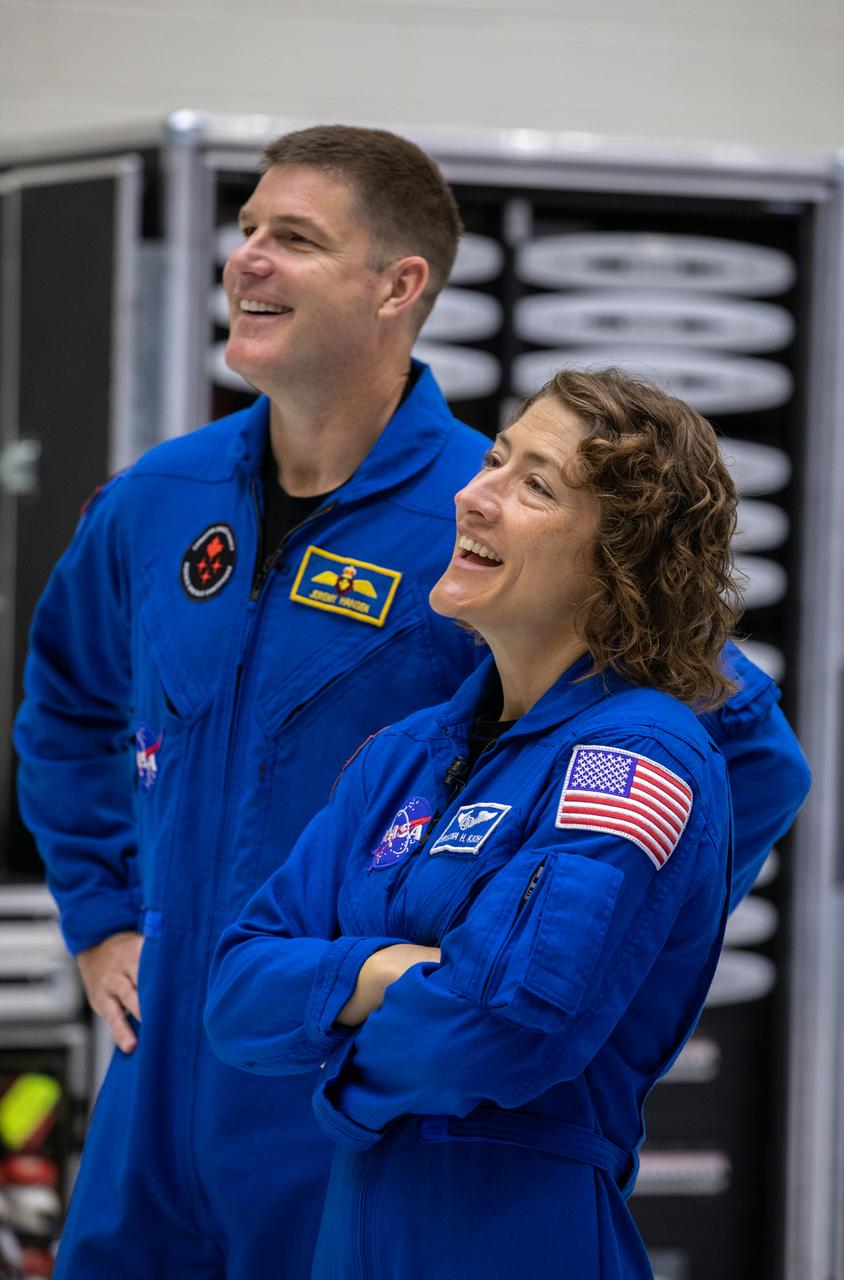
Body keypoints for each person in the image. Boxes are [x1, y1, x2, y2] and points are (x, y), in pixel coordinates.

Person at [13, 120, 808, 1276]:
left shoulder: (496, 519)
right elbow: (67, 700)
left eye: (294, 238)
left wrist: (569, 962)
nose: (247, 261)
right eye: (246, 232)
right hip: (167, 1077)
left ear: (398, 286)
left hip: (351, 1106)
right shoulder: (158, 498)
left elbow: (743, 751)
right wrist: (101, 917)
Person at [207, 369, 808, 1279]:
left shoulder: (637, 756)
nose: (473, 497)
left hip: (517, 1232)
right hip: (356, 1234)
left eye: (535, 485)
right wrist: (375, 970)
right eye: (495, 460)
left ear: (623, 560)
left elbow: (501, 1028)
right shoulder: (407, 752)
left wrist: (343, 1083)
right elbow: (237, 987)